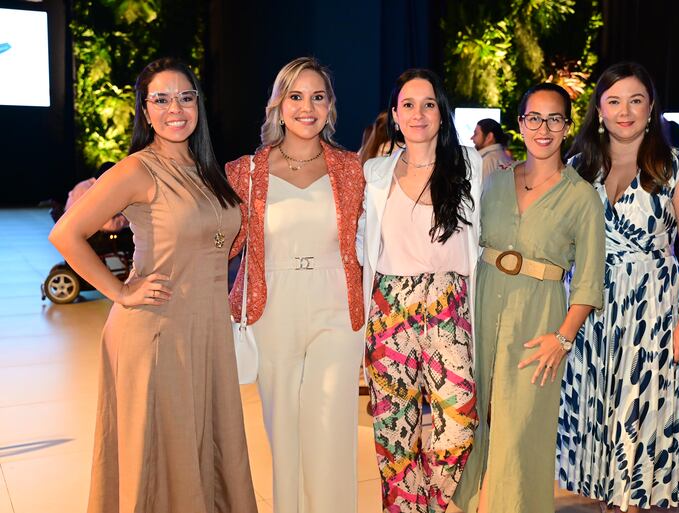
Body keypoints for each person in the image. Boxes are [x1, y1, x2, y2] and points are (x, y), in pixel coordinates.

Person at [49, 57, 257, 513]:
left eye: (185, 97)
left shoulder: (206, 169)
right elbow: (65, 233)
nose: (174, 109)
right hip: (157, 331)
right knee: (161, 453)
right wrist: (121, 292)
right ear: (145, 111)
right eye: (160, 99)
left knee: (203, 444)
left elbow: (220, 237)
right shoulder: (137, 169)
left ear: (198, 104)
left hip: (206, 329)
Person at [556, 62, 679, 512]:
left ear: (650, 108)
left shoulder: (674, 166)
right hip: (590, 311)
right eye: (614, 101)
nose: (625, 111)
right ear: (599, 110)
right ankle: (609, 502)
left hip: (651, 313)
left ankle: (633, 504)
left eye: (636, 100)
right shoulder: (578, 167)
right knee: (599, 414)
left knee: (639, 415)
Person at [453, 83, 605, 513]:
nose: (543, 128)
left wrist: (562, 338)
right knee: (479, 418)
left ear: (567, 126)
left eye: (553, 118)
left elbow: (589, 281)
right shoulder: (495, 182)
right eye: (533, 118)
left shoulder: (581, 196)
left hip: (539, 318)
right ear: (520, 124)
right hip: (483, 309)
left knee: (520, 431)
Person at [226, 57, 365, 513]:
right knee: (283, 431)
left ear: (330, 107)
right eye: (296, 96)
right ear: (278, 104)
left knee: (330, 429)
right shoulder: (244, 172)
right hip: (274, 309)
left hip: (337, 311)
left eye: (318, 97)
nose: (307, 107)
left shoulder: (351, 169)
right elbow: (219, 244)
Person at [358, 68, 481, 513]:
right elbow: (361, 238)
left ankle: (428, 500)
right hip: (390, 307)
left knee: (459, 422)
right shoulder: (375, 171)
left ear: (442, 114)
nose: (418, 113)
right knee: (394, 431)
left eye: (428, 104)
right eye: (408, 105)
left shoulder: (470, 164)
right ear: (394, 115)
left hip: (449, 306)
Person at [63, 162, 130, 233]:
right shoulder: (96, 192)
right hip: (79, 235)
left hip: (67, 231)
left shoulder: (83, 184)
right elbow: (109, 224)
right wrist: (128, 220)